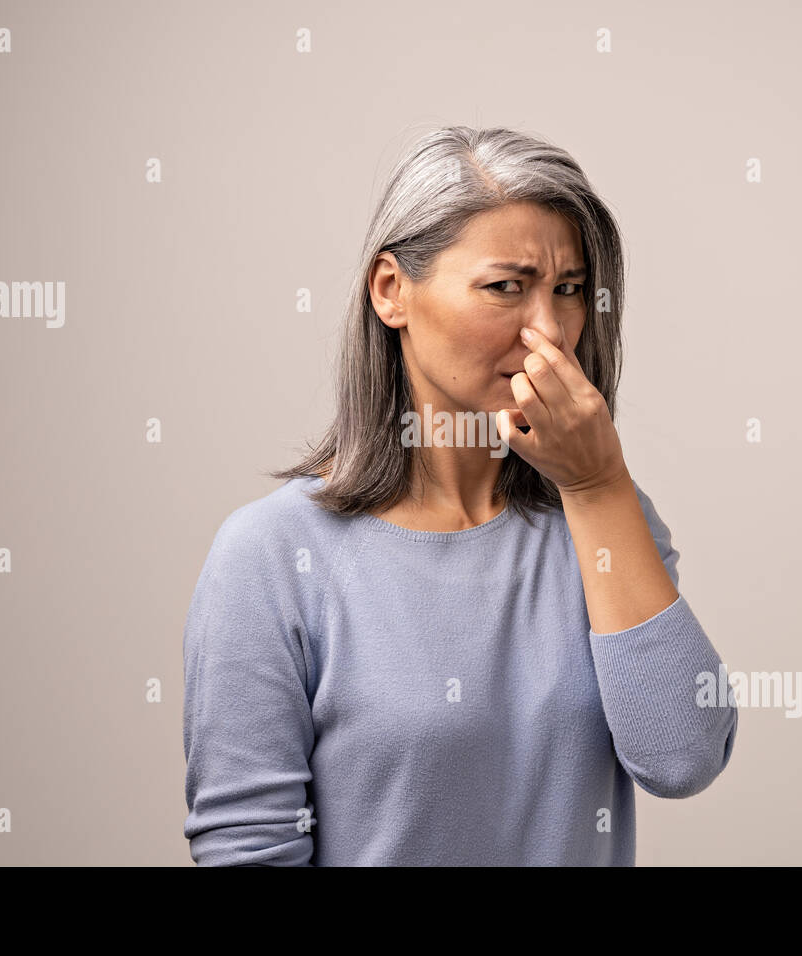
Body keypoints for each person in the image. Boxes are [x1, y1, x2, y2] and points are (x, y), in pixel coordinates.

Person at [182, 125, 738, 866]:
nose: (550, 331)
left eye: (568, 291)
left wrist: (599, 487)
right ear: (392, 293)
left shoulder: (603, 519)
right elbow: (247, 849)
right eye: (506, 287)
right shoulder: (273, 557)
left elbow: (682, 758)